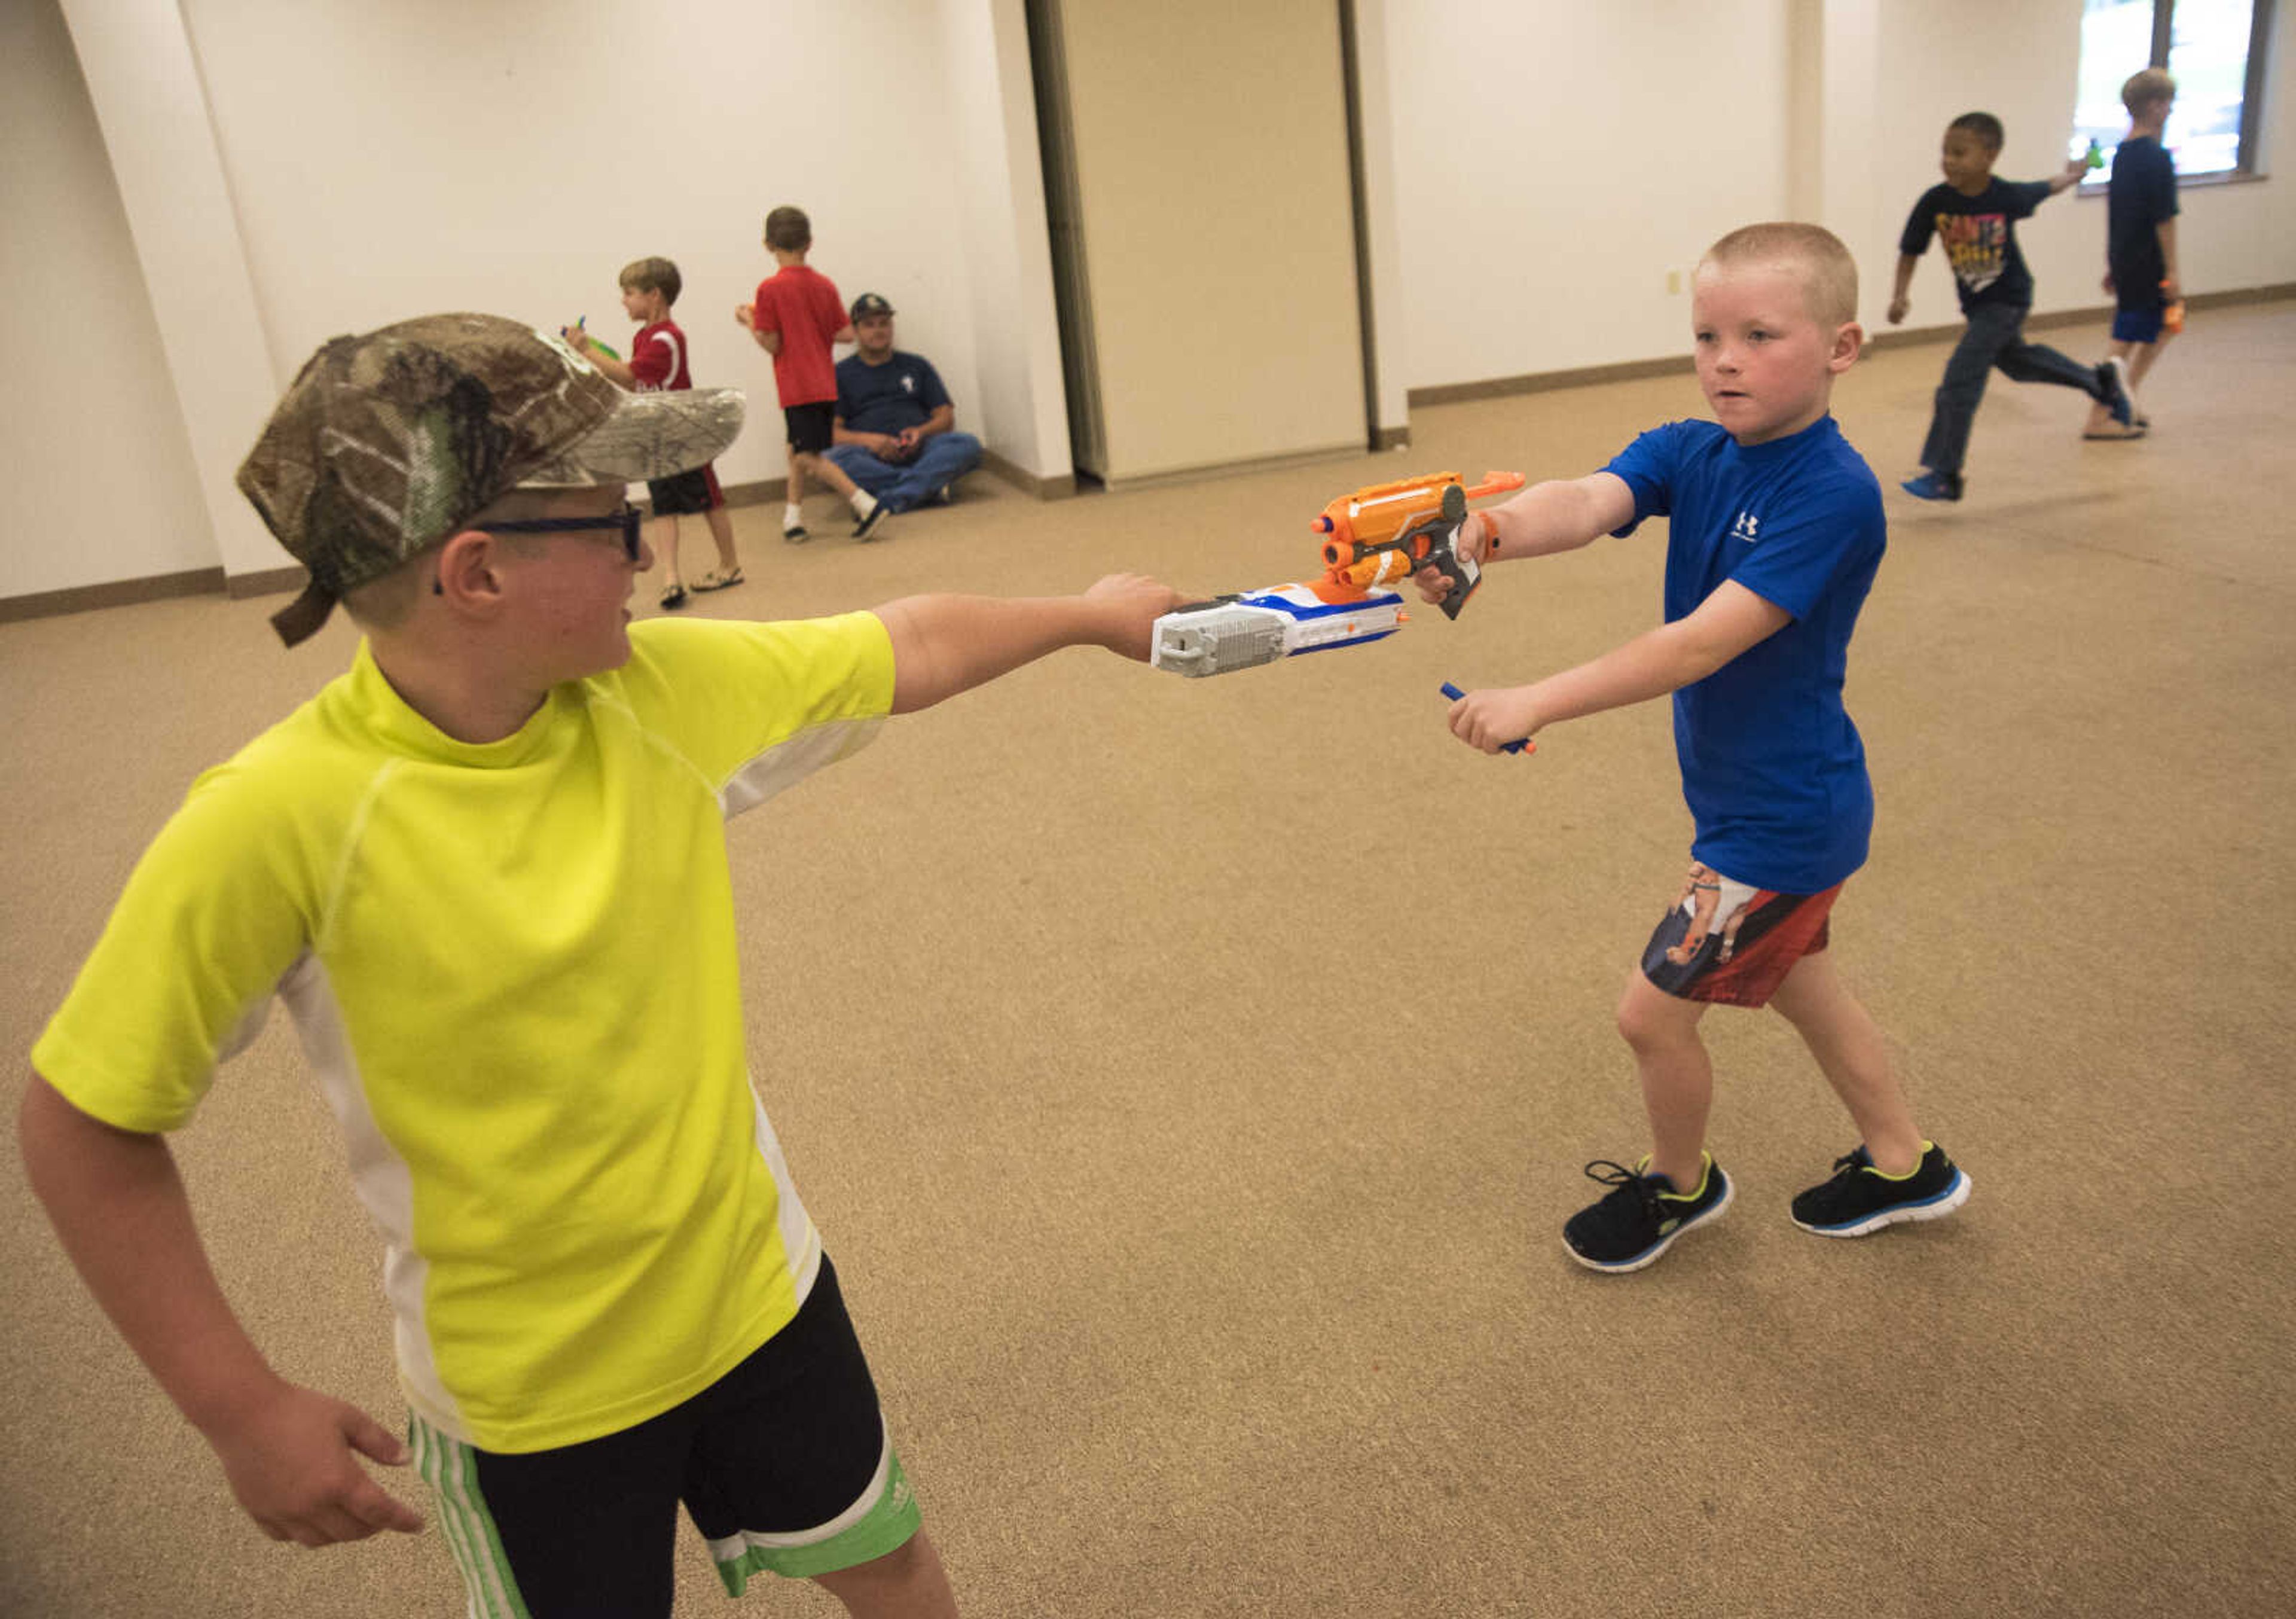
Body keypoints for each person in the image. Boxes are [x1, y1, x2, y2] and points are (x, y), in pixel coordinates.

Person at [18, 313, 1180, 1615]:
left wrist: (1086, 616)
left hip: (760, 1301)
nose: (646, 547)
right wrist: (235, 1405)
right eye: (616, 519)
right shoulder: (271, 822)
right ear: (477, 574)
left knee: (888, 1559)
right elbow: (86, 1119)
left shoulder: (651, 690)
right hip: (531, 1399)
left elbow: (902, 645)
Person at [1415, 224, 1970, 1275]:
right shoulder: (1694, 448)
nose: (1724, 358)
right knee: (1805, 980)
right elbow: (1582, 503)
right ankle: (1908, 1162)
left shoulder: (1832, 494)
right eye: (1708, 333)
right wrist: (1483, 531)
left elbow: (1703, 642)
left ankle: (1681, 1185)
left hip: (1785, 819)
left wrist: (1538, 697)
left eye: (1761, 334)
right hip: (1751, 799)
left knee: (1650, 1015)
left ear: (1842, 348)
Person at [1889, 111, 2136, 502]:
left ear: (1990, 155)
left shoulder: (2003, 195)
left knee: (1959, 380)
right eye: (1945, 152)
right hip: (1977, 305)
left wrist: (2078, 172)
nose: (1949, 160)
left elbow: (2046, 187)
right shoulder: (1936, 202)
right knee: (2018, 363)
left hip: (2008, 299)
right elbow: (1910, 249)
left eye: (1960, 152)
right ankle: (2100, 382)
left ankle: (1945, 474)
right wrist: (1900, 295)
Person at [566, 255, 746, 608]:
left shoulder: (668, 338)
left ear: (655, 296)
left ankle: (730, 564)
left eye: (630, 292)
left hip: (685, 435)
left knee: (710, 501)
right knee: (663, 507)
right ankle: (671, 578)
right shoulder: (644, 337)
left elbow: (631, 375)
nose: (624, 300)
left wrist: (588, 350)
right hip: (656, 437)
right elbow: (636, 385)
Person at [735, 206, 886, 543]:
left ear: (767, 244)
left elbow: (772, 344)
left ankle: (866, 504)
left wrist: (751, 323)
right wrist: (811, 325)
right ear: (810, 243)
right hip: (824, 383)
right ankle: (793, 519)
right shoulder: (824, 285)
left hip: (797, 386)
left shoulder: (769, 290)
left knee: (807, 455)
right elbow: (847, 334)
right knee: (796, 449)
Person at [2085, 68, 2181, 440]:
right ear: (2154, 106)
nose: (2170, 111)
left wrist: (2114, 264)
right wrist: (2172, 271)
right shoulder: (2155, 158)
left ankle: (2126, 398)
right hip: (2146, 262)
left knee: (2159, 328)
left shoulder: (2123, 155)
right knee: (2127, 337)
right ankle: (2101, 412)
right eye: (2167, 103)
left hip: (2128, 259)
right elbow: (2164, 220)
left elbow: (2119, 216)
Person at [826, 294, 985, 513]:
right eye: (869, 325)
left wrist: (921, 432)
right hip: (870, 455)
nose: (878, 331)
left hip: (922, 450)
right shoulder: (840, 375)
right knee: (832, 460)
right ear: (855, 331)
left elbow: (945, 417)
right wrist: (871, 441)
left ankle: (889, 499)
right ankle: (928, 489)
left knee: (966, 444)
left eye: (884, 323)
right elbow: (831, 433)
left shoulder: (917, 365)